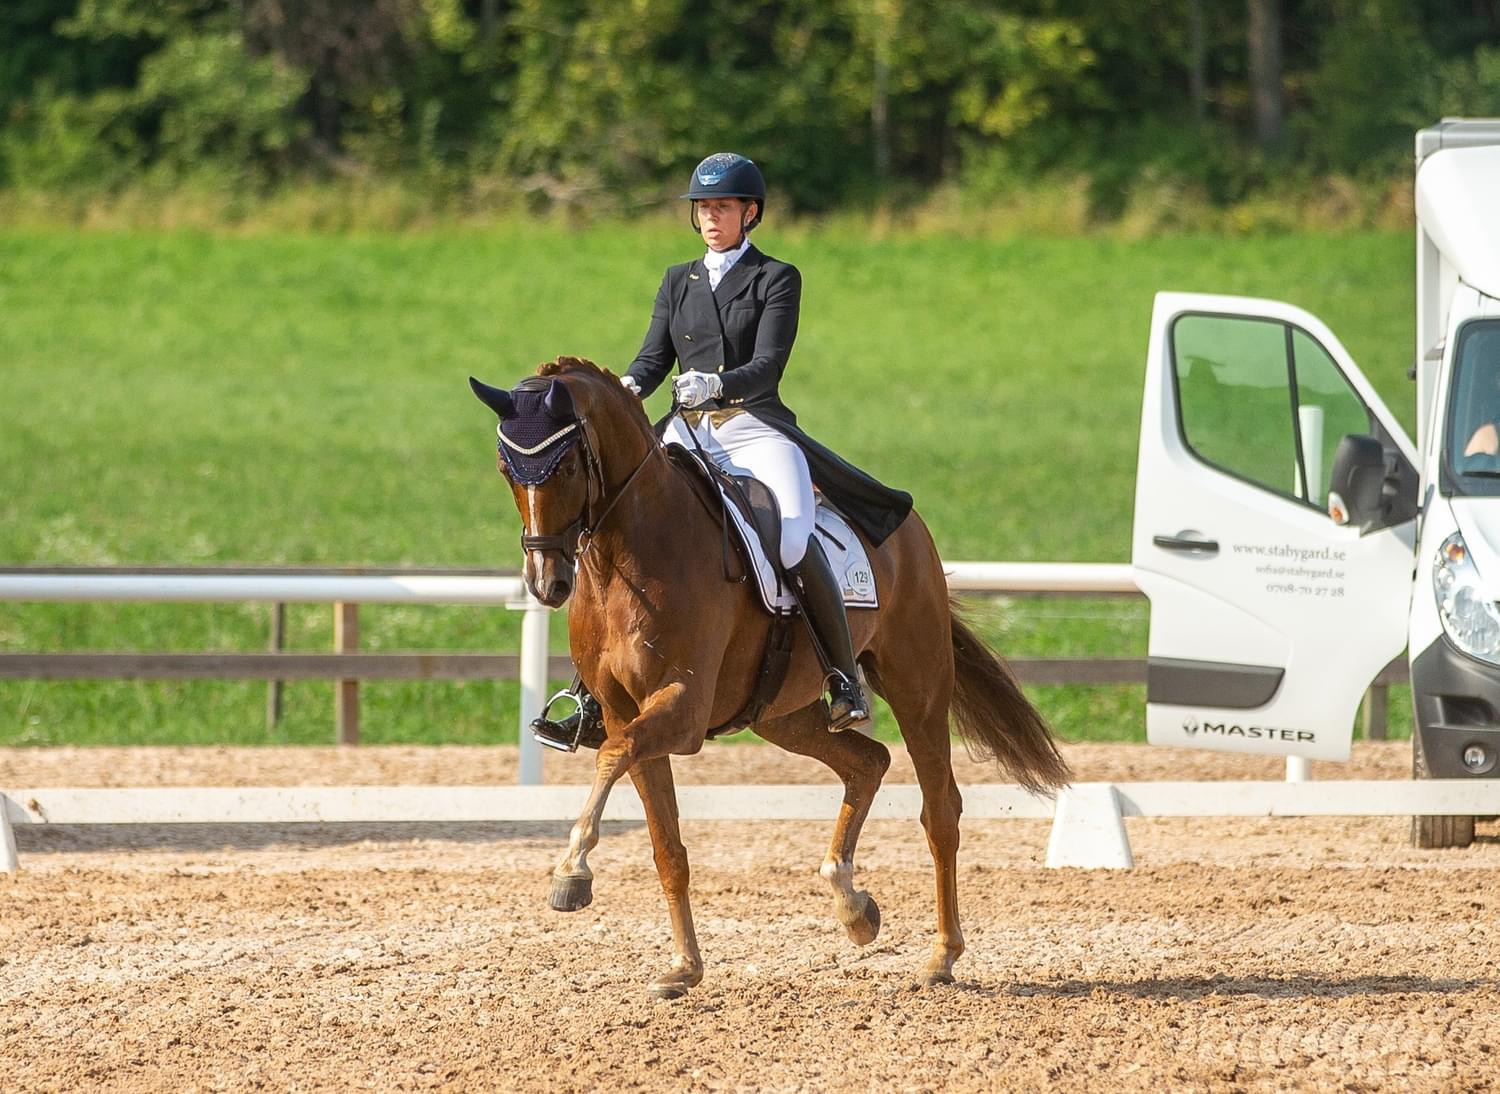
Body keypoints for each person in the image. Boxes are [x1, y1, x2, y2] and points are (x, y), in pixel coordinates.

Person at [533, 152, 912, 749]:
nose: (711, 217)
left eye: (723, 207)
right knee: (610, 524)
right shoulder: (676, 279)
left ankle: (842, 678)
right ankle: (587, 693)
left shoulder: (775, 278)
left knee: (790, 536)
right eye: (704, 208)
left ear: (749, 213)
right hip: (687, 431)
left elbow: (767, 365)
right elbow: (653, 358)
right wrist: (629, 389)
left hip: (754, 429)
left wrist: (719, 384)